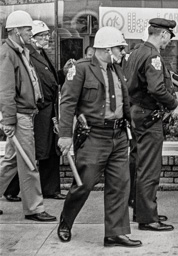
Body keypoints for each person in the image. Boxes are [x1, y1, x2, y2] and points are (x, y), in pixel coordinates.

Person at [56, 26, 141, 247]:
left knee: (120, 185)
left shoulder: (118, 69)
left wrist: (130, 131)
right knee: (83, 184)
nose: (123, 51)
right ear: (105, 49)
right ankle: (66, 221)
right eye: (119, 47)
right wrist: (65, 136)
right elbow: (67, 103)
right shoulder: (81, 68)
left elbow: (124, 102)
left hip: (119, 135)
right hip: (93, 135)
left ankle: (115, 233)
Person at [0, 10, 56, 222]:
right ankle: (34, 208)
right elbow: (5, 91)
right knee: (29, 164)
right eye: (27, 29)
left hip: (23, 113)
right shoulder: (8, 54)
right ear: (14, 31)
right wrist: (9, 121)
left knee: (11, 162)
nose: (30, 33)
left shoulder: (20, 51)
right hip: (20, 115)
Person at [126, 18, 178, 232]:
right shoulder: (153, 55)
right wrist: (175, 105)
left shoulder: (137, 51)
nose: (168, 43)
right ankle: (147, 218)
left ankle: (143, 211)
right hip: (148, 116)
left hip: (137, 113)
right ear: (163, 34)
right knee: (149, 168)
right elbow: (156, 88)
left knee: (138, 164)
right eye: (169, 38)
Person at [27, 20, 66, 200]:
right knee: (37, 150)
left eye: (46, 35)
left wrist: (62, 73)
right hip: (40, 109)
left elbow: (50, 79)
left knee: (50, 148)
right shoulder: (29, 55)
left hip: (48, 109)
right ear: (33, 38)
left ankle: (51, 188)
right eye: (42, 36)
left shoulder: (41, 54)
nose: (46, 38)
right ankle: (11, 188)